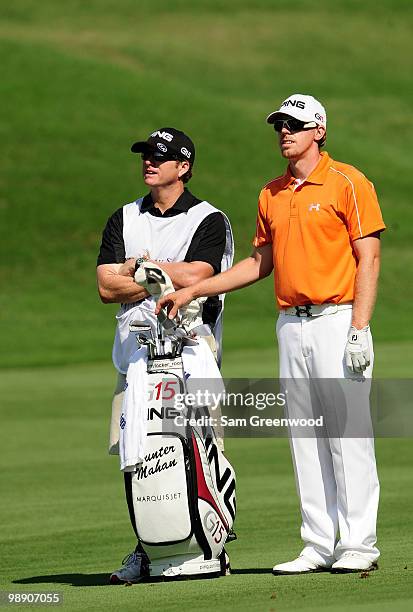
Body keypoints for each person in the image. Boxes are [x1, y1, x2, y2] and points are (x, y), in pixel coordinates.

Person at [157, 95, 386, 575]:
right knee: (305, 438)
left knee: (348, 437)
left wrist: (360, 329)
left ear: (318, 130)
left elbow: (369, 257)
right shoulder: (272, 193)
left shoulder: (349, 182)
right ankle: (319, 544)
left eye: (296, 125)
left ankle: (359, 544)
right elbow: (261, 261)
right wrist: (194, 288)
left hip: (337, 318)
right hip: (290, 325)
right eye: (280, 125)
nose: (285, 132)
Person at [96, 126, 233, 582]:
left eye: (159, 155)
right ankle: (146, 549)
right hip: (134, 359)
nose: (148, 162)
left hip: (190, 355)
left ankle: (210, 541)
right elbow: (104, 285)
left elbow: (200, 273)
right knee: (134, 456)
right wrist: (152, 273)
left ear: (184, 165)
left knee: (194, 452)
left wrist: (135, 268)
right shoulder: (124, 217)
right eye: (145, 155)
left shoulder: (208, 220)